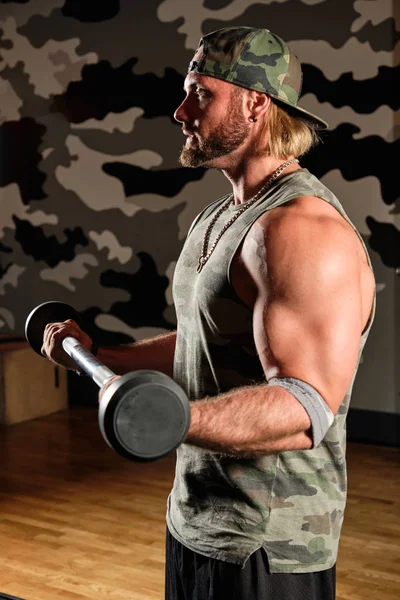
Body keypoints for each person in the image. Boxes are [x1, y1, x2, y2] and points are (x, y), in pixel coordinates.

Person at [42, 26, 376, 600]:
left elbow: (304, 409)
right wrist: (99, 358)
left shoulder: (301, 229)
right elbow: (203, 343)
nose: (179, 111)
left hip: (268, 548)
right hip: (198, 521)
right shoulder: (224, 215)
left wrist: (168, 419)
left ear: (255, 103)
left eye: (200, 93)